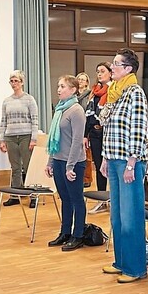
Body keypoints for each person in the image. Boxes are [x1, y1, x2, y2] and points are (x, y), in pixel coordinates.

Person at [100, 49, 148, 283]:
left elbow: (138, 128)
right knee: (117, 217)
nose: (113, 67)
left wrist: (132, 162)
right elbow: (108, 129)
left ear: (128, 69)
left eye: (117, 64)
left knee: (131, 216)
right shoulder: (115, 93)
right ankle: (121, 261)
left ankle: (135, 267)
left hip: (129, 162)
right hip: (113, 159)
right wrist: (104, 159)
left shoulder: (134, 92)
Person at [45, 75, 87, 251]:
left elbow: (77, 141)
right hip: (60, 160)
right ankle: (65, 232)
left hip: (74, 163)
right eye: (58, 86)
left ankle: (78, 235)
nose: (59, 89)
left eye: (62, 86)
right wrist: (50, 162)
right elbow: (54, 139)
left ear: (73, 90)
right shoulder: (60, 110)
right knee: (65, 199)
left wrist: (70, 166)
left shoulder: (76, 110)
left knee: (76, 199)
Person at [0, 70, 40, 208]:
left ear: (22, 82)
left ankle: (33, 195)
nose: (13, 83)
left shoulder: (29, 99)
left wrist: (33, 138)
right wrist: (2, 139)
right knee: (15, 167)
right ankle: (15, 195)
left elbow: (34, 120)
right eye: (11, 80)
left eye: (16, 80)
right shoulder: (7, 101)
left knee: (28, 166)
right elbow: (3, 121)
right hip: (10, 136)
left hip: (26, 136)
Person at [85, 62, 113, 214]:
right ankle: (102, 200)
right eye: (97, 71)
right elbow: (88, 115)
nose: (99, 74)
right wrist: (85, 135)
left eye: (102, 71)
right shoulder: (94, 92)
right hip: (95, 134)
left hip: (108, 134)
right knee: (99, 166)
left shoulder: (114, 90)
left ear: (110, 73)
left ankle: (113, 200)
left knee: (110, 167)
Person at [76, 72, 93, 187]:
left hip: (86, 126)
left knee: (86, 153)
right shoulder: (74, 95)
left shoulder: (89, 95)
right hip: (75, 126)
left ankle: (87, 178)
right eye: (79, 79)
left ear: (87, 82)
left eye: (83, 80)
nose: (81, 81)